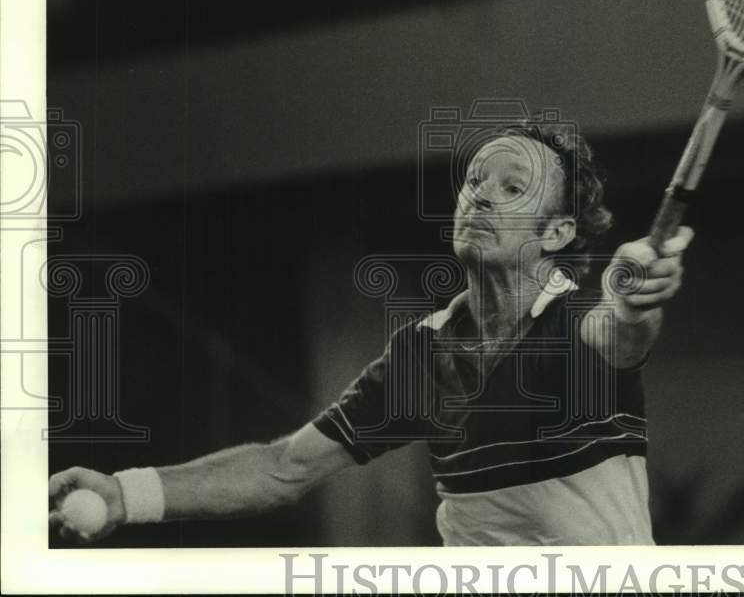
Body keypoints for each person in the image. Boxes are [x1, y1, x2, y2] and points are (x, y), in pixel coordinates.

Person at [49, 120, 693, 546]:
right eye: (475, 180)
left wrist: (634, 298)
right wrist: (125, 492)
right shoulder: (421, 353)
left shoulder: (577, 323)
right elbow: (282, 468)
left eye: (513, 187)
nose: (481, 197)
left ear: (555, 234)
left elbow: (622, 335)